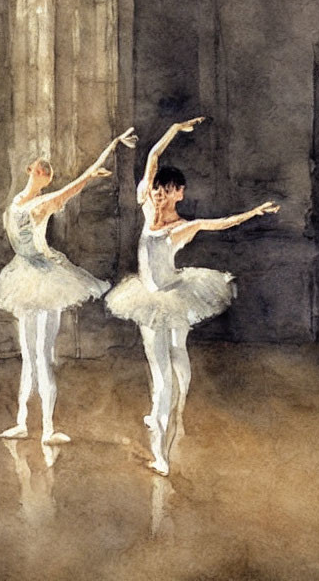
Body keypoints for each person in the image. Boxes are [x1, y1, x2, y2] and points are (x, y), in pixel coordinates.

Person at [106, 116, 279, 476]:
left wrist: (254, 213)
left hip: (175, 294)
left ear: (179, 194)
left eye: (165, 190)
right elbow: (152, 156)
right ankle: (161, 412)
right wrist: (174, 129)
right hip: (147, 298)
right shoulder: (144, 208)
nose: (157, 193)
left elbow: (222, 222)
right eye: (156, 188)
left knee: (175, 356)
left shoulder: (183, 227)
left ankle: (165, 443)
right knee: (158, 363)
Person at [0, 128, 137, 444]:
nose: (43, 176)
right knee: (29, 355)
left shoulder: (40, 204)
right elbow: (65, 191)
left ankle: (49, 428)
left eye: (46, 174)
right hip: (25, 276)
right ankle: (23, 422)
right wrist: (99, 160)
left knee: (43, 354)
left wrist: (104, 154)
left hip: (46, 279)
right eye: (41, 171)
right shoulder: (17, 203)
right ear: (32, 171)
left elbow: (71, 189)